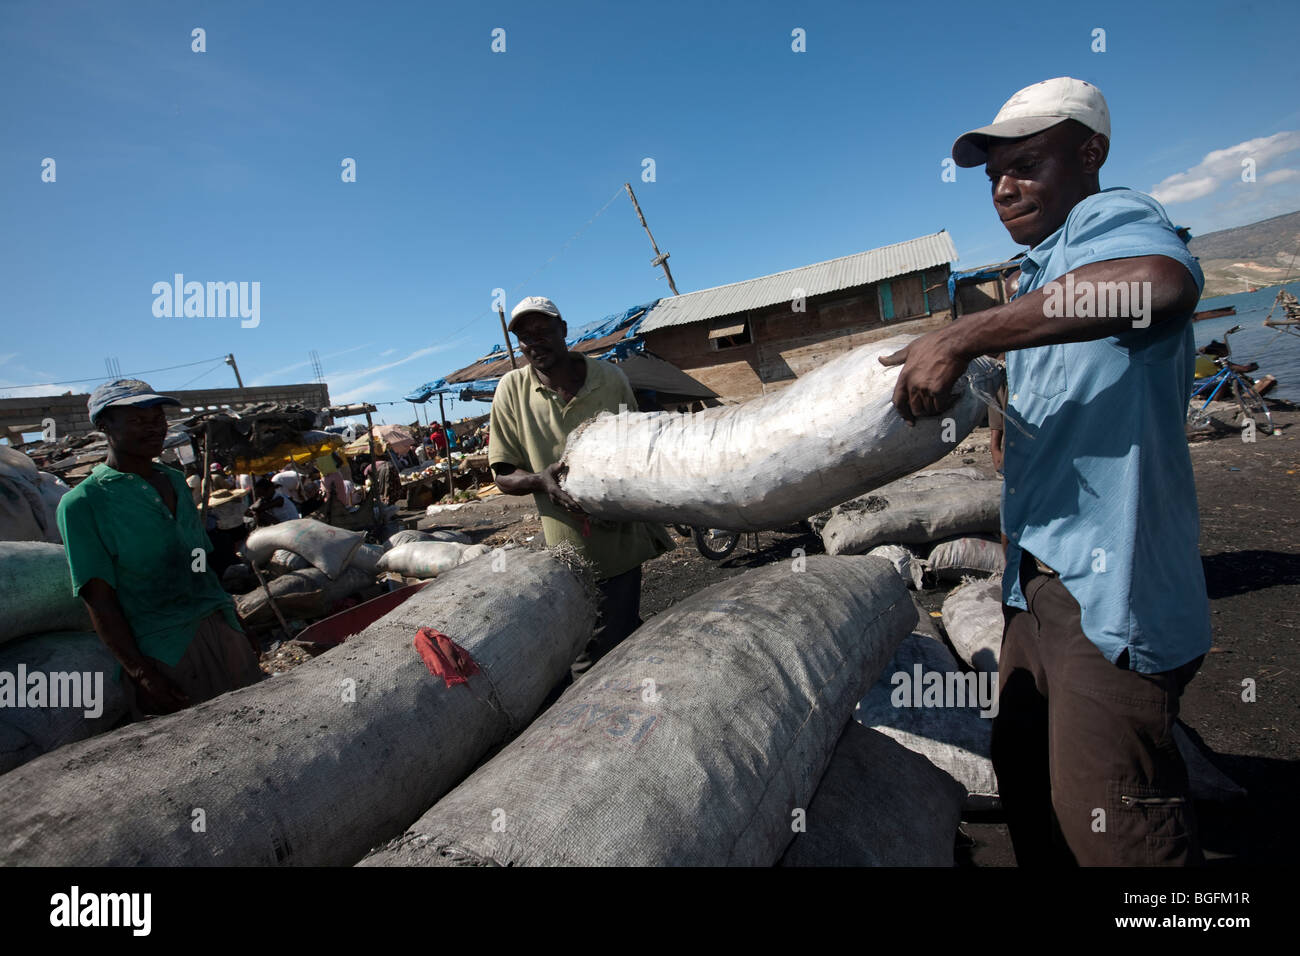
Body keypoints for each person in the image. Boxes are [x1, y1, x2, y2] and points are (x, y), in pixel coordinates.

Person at [881, 78, 1209, 866]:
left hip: (1108, 594)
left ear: (1089, 153)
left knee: (1116, 829)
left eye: (1027, 164)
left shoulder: (1110, 218)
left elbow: (1162, 286)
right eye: (995, 174)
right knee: (1029, 781)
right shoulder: (1041, 275)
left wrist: (966, 335)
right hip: (1037, 586)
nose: (1004, 187)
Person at [489, 296, 674, 690]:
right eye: (524, 336)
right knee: (588, 652)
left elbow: (638, 449)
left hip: (621, 538)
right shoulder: (511, 390)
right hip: (567, 550)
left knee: (614, 637)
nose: (534, 342)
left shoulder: (610, 379)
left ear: (564, 330)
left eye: (543, 331)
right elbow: (503, 474)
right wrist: (540, 480)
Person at [56, 380, 265, 719]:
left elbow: (198, 561)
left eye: (158, 418)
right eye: (138, 420)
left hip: (220, 628)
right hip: (166, 649)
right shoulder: (82, 503)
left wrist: (234, 619)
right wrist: (141, 673)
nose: (154, 427)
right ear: (104, 426)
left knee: (263, 725)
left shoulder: (174, 481)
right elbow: (99, 598)